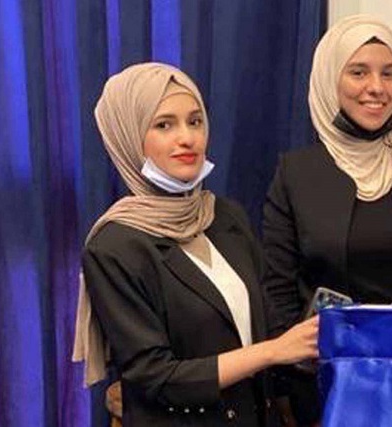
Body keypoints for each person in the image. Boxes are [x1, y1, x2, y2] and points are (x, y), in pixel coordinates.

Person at [72, 62, 318, 427]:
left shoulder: (225, 216)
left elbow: (265, 327)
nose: (187, 138)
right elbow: (157, 378)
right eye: (164, 125)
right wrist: (272, 352)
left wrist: (313, 344)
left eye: (195, 121)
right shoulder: (113, 247)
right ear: (128, 137)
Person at [261, 15, 392, 424]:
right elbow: (278, 294)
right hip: (331, 384)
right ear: (330, 80)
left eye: (389, 73)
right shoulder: (296, 174)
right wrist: (294, 386)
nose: (377, 87)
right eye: (358, 72)